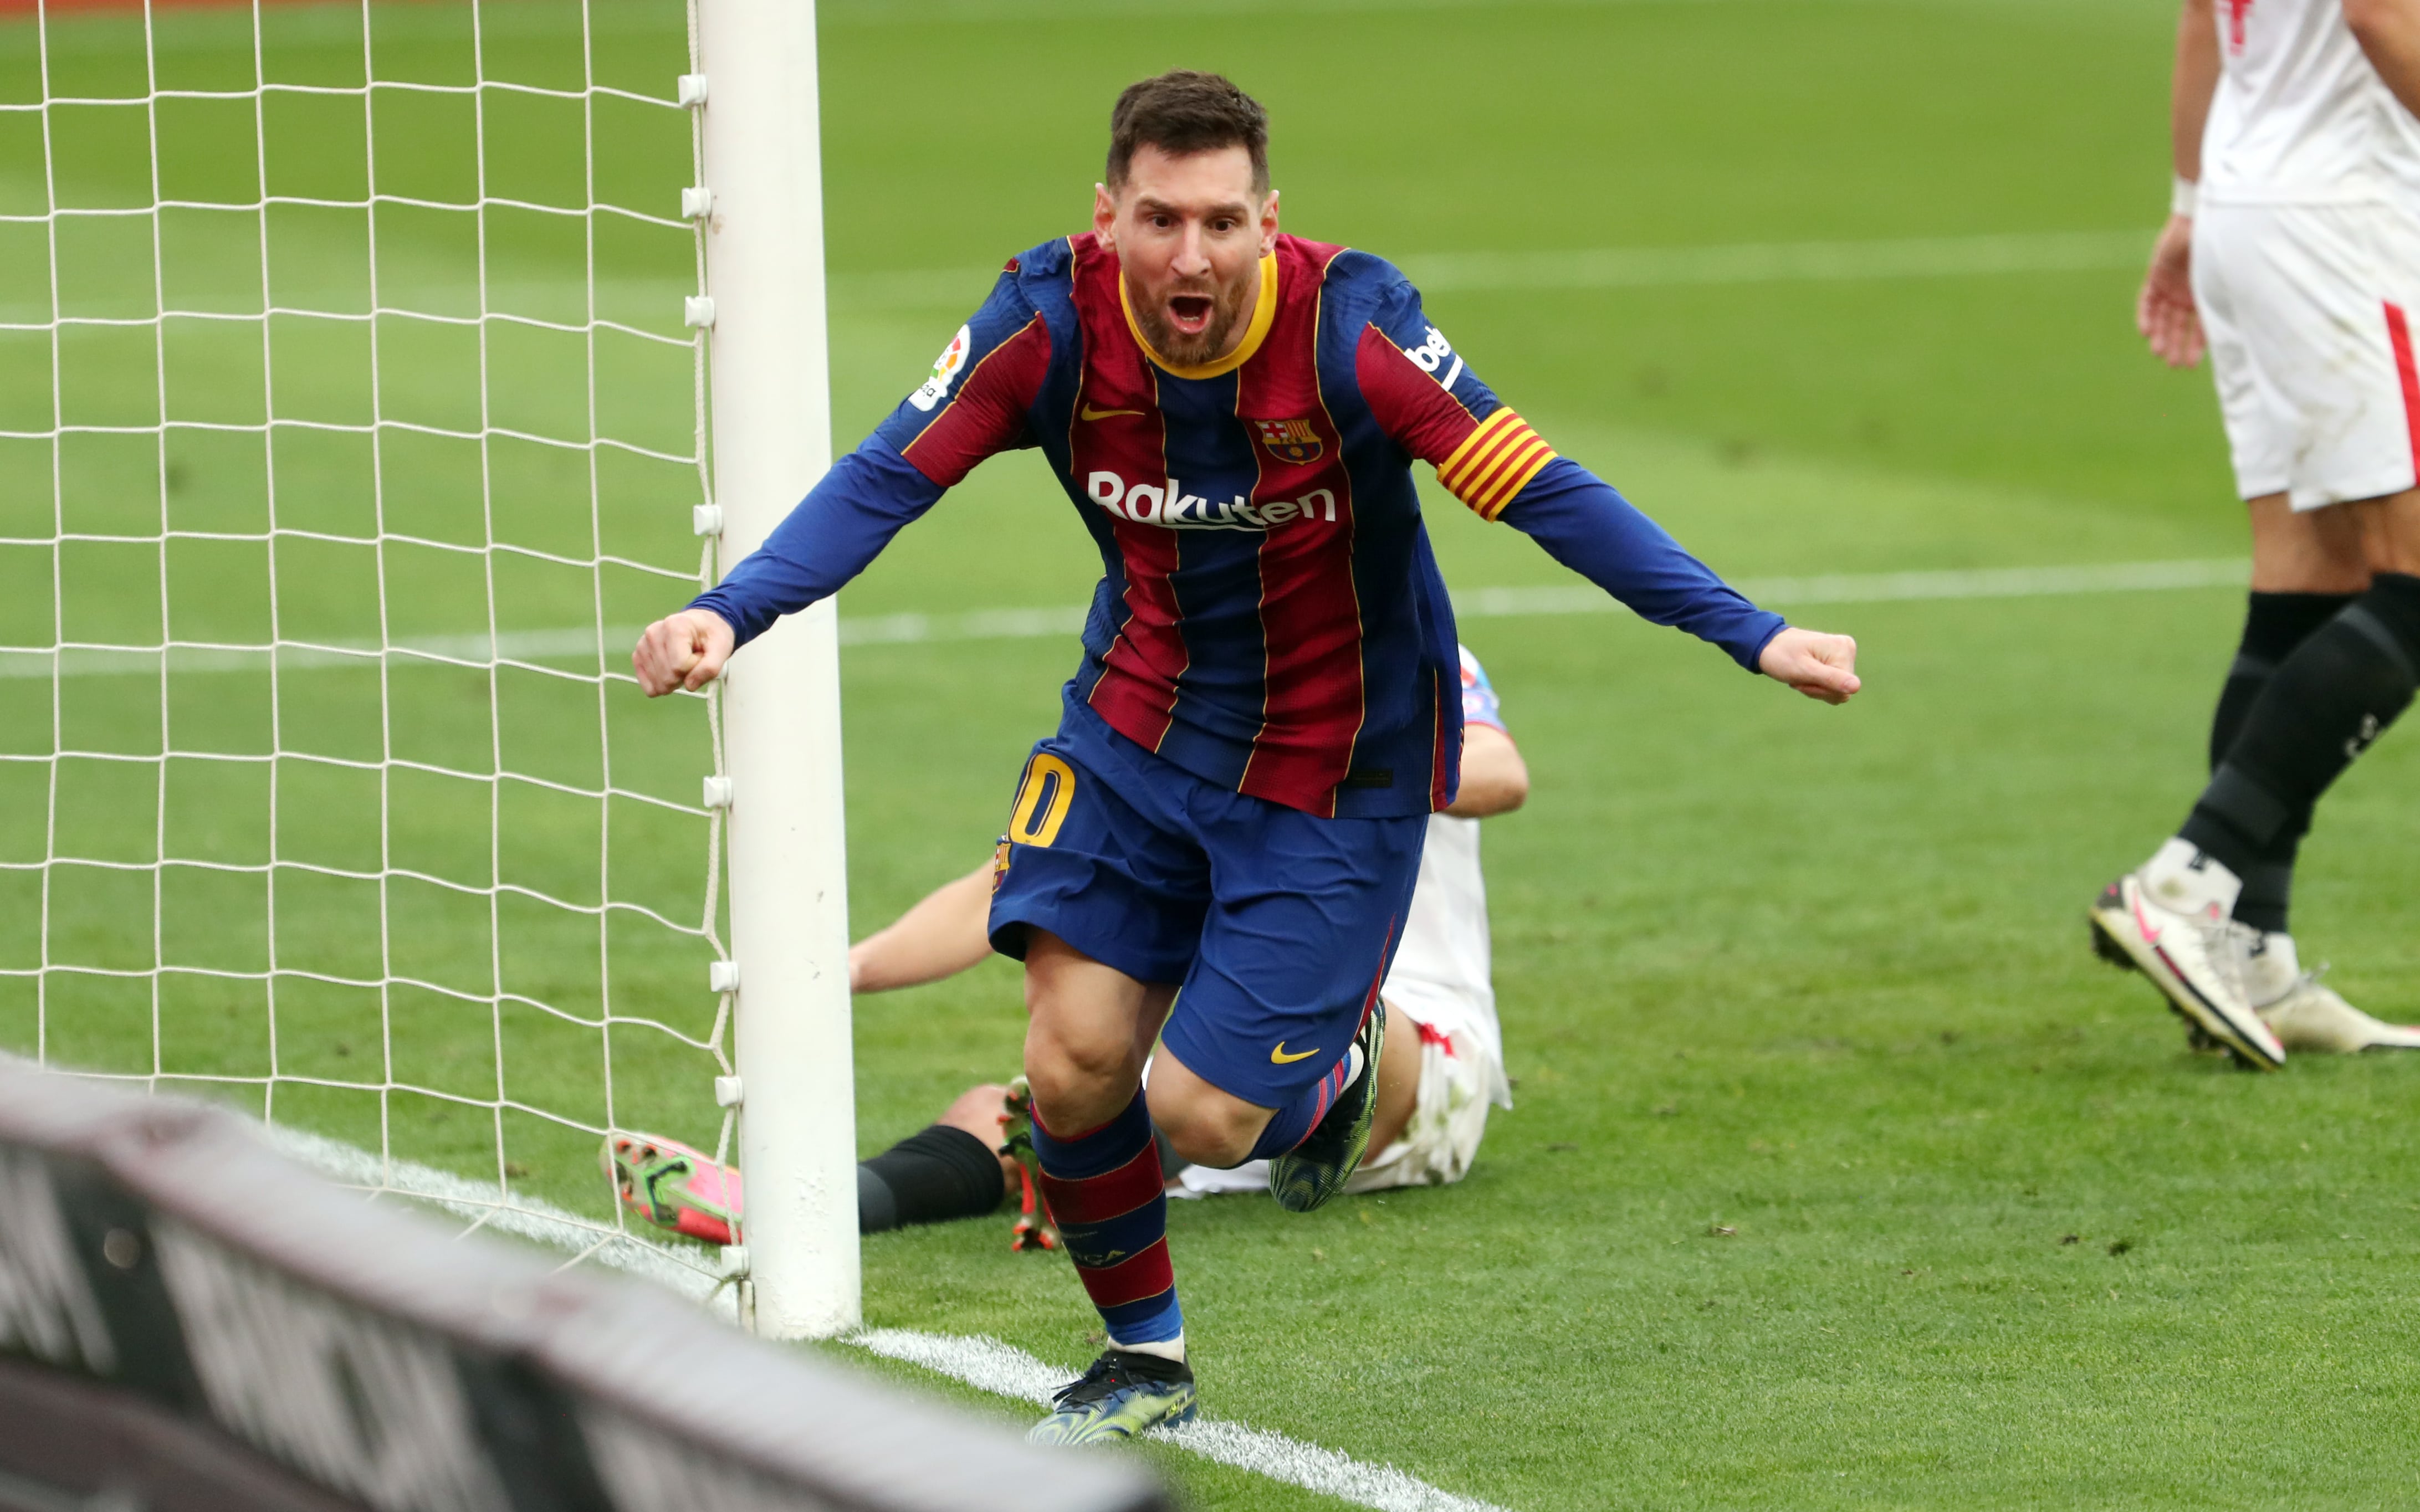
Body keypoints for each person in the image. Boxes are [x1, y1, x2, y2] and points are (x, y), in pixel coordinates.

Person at [634, 70, 1860, 1442]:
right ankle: (1143, 1362)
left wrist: (1749, 632)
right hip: (1135, 731)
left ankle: (1337, 1076)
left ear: (1270, 222)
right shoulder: (1044, 322)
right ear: (1106, 217)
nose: (1192, 256)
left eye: (1223, 222)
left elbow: (1543, 490)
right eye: (1160, 219)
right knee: (1072, 1060)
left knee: (1209, 1119)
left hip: (1335, 768)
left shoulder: (1356, 331)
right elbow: (886, 476)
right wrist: (731, 610)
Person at [605, 645, 1529, 1252]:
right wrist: (838, 972)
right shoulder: (1175, 682)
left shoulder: (1396, 640)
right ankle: (796, 1212)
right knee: (1014, 1107)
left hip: (1419, 1051)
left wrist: (1315, 771)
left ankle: (1118, 1157)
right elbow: (1008, 885)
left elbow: (1501, 771)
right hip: (1214, 1072)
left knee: (1329, 1012)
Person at [2091, 0, 2420, 1064]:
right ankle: (2186, 882)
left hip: (2249, 203)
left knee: (2309, 578)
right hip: (2346, 217)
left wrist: (2192, 202)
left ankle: (2252, 958)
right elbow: (2379, 15)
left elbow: (2205, 12)